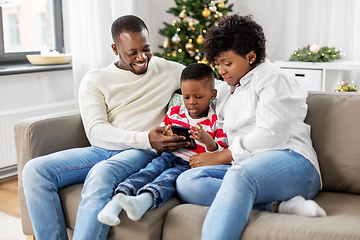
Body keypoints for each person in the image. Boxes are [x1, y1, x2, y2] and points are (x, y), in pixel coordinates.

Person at [21, 15, 188, 240]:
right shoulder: (95, 80)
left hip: (140, 153)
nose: (142, 57)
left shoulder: (171, 70)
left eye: (146, 49)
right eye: (132, 52)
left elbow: (214, 86)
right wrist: (145, 137)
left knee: (101, 174)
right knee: (34, 171)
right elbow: (95, 131)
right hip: (108, 147)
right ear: (114, 48)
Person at [175, 14, 326, 240]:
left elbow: (271, 135)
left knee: (238, 175)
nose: (221, 71)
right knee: (187, 182)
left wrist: (220, 157)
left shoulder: (273, 78)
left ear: (251, 56)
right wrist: (213, 148)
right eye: (217, 64)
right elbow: (226, 138)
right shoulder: (226, 90)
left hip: (293, 161)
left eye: (227, 63)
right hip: (244, 168)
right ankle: (278, 207)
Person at [97, 63, 227, 226]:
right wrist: (168, 134)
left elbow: (221, 151)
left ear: (212, 94)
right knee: (147, 172)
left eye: (198, 97)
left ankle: (143, 201)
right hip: (168, 156)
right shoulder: (175, 112)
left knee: (167, 179)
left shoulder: (216, 121)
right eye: (186, 97)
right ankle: (115, 204)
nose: (191, 102)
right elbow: (162, 131)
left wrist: (207, 140)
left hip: (189, 166)